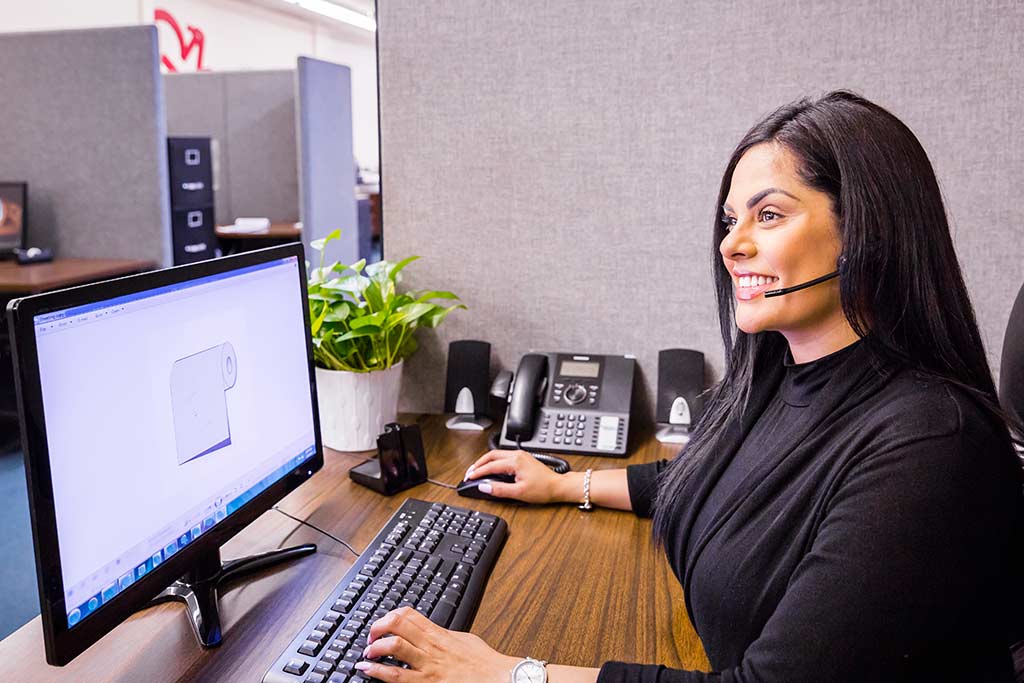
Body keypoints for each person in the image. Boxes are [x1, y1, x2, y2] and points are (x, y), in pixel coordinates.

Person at [352, 91, 1024, 682]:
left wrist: (508, 674)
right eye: (731, 220)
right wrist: (565, 482)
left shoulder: (930, 444)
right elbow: (715, 480)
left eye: (768, 215)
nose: (731, 245)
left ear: (865, 232)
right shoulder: (776, 375)